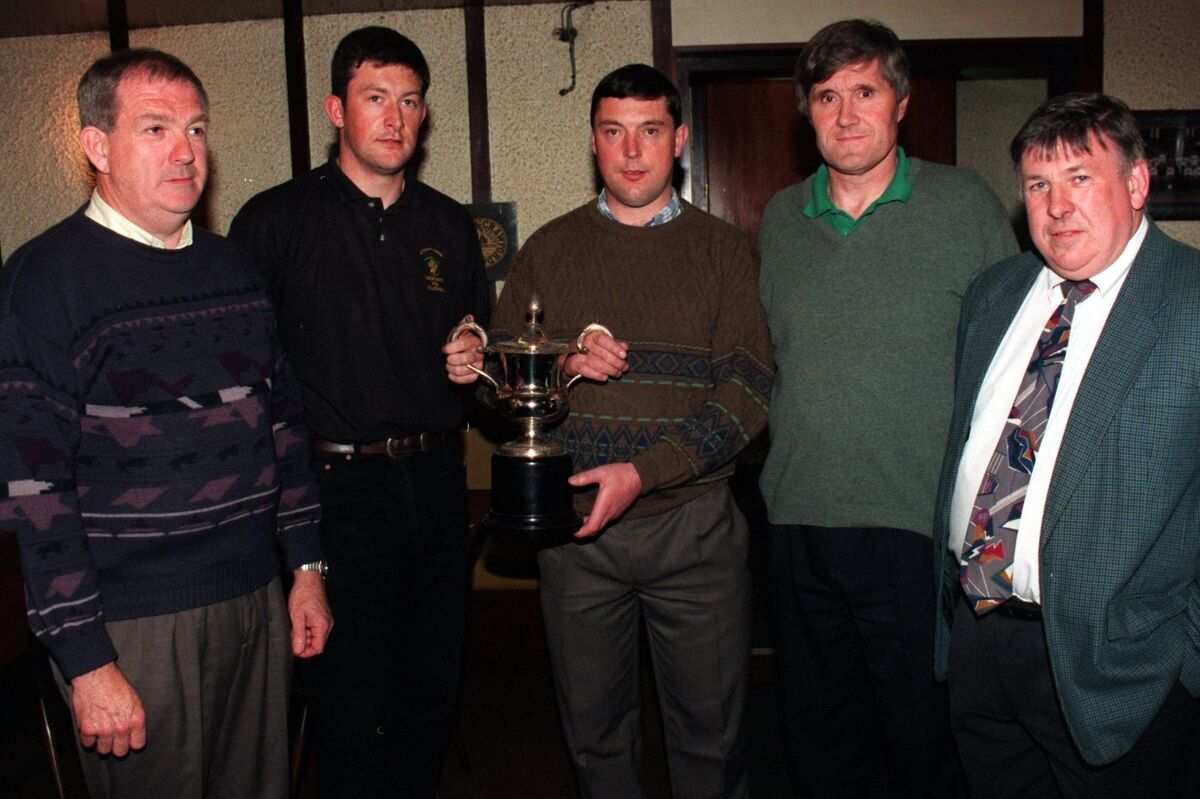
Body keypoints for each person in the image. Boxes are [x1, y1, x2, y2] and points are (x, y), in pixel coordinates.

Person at [0, 48, 331, 799]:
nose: (185, 152)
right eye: (155, 129)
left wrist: (306, 568)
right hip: (133, 626)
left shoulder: (235, 270)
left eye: (196, 128)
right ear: (96, 146)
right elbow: (35, 493)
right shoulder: (42, 285)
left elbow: (284, 429)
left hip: (253, 599)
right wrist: (86, 658)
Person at [445, 63, 773, 799]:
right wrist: (515, 368)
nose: (632, 151)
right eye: (614, 132)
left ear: (679, 139)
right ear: (593, 142)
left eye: (650, 131)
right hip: (575, 537)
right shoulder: (550, 252)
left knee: (710, 744)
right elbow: (506, 402)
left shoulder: (724, 252)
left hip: (692, 531)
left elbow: (747, 396)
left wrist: (645, 472)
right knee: (595, 740)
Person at [756, 18, 1019, 799]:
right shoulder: (778, 217)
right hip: (797, 518)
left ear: (901, 101)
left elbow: (1013, 361)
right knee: (816, 732)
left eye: (864, 92)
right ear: (807, 111)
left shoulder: (963, 202)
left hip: (918, 523)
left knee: (920, 735)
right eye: (826, 96)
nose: (844, 115)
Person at [228, 26, 489, 798]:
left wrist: (473, 345)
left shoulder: (447, 224)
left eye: (410, 102)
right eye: (377, 98)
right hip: (329, 493)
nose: (395, 118)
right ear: (337, 108)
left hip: (436, 484)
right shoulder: (274, 222)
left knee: (428, 698)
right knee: (347, 713)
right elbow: (246, 383)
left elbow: (478, 334)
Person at [934, 92, 1200, 799]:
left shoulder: (1190, 302)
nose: (1057, 207)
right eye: (1038, 185)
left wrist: (1183, 661)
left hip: (1122, 667)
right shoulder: (996, 293)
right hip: (983, 635)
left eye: (1080, 178)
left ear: (1137, 183)